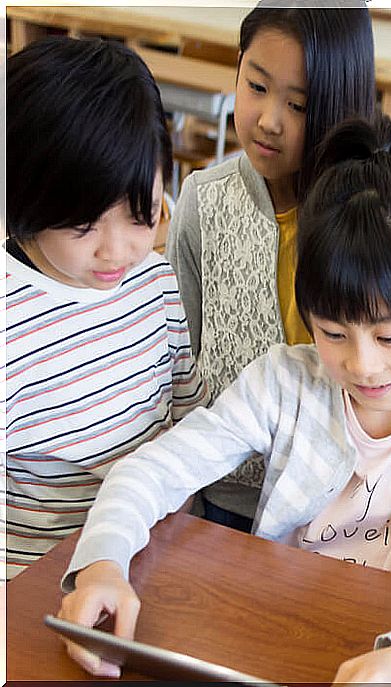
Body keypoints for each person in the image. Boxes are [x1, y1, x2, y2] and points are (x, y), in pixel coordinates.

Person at [56, 116, 391, 686]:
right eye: (333, 334)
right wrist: (102, 563)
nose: (362, 365)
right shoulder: (285, 382)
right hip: (282, 639)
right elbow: (154, 470)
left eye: (389, 337)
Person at [166, 1, 377, 529]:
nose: (268, 120)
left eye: (299, 105)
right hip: (224, 498)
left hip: (337, 508)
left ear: (340, 103)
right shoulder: (203, 199)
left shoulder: (369, 213)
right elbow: (176, 357)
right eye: (256, 87)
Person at [5, 37, 208, 580]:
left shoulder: (155, 281)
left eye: (142, 215)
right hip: (36, 590)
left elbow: (187, 418)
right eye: (83, 224)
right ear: (25, 193)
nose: (117, 250)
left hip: (152, 558)